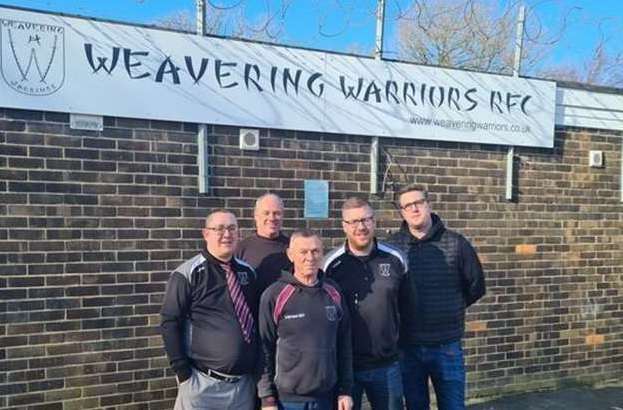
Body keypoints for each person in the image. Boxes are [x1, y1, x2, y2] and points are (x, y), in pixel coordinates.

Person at [387, 185, 486, 410]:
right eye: (407, 206)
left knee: (453, 406)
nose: (414, 209)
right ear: (401, 212)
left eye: (418, 203)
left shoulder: (456, 243)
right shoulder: (393, 248)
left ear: (428, 204)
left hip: (447, 345)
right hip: (408, 346)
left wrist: (451, 307)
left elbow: (476, 286)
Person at [160, 210, 260, 410]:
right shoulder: (188, 273)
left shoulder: (247, 272)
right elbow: (170, 323)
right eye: (219, 229)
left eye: (232, 228)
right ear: (206, 234)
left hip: (242, 388)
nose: (227, 234)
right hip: (202, 386)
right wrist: (182, 372)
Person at [323, 197, 407, 410]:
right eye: (353, 222)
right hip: (346, 368)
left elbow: (408, 307)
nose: (361, 227)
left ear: (374, 222)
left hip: (387, 365)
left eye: (366, 220)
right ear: (344, 226)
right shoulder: (330, 265)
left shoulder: (396, 259)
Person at [258, 230, 354, 410]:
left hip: (327, 397)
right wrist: (267, 398)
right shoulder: (275, 295)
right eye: (303, 252)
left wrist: (345, 389)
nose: (310, 257)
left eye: (315, 251)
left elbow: (344, 343)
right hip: (288, 400)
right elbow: (264, 348)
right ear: (290, 255)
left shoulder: (333, 292)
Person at [237, 193, 291, 293]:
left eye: (277, 213)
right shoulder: (241, 249)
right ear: (256, 216)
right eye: (266, 213)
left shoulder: (293, 248)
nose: (272, 218)